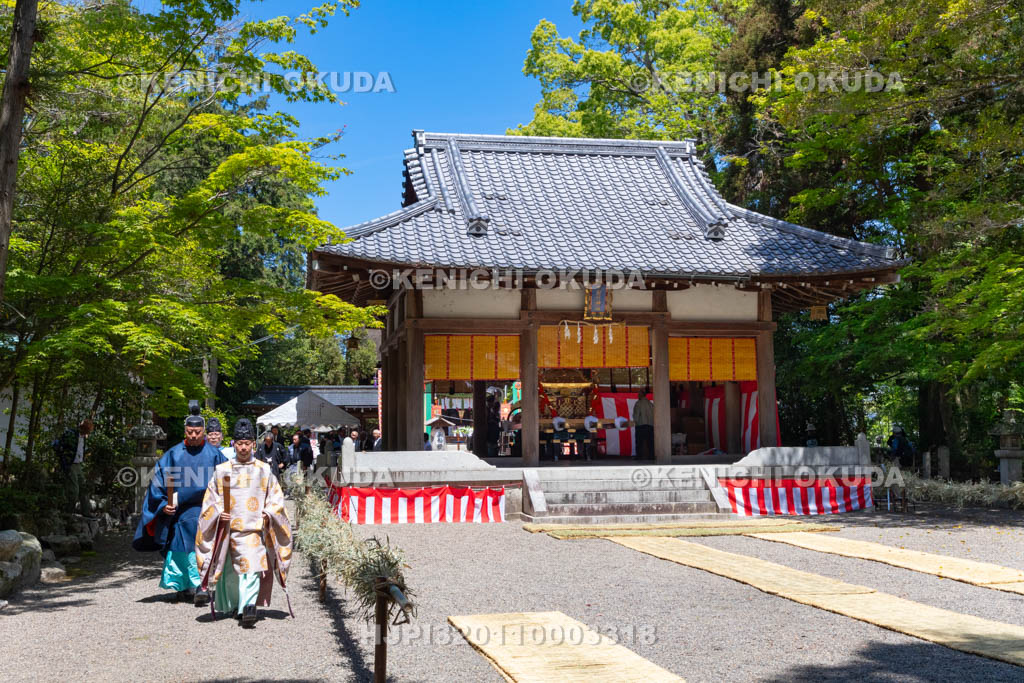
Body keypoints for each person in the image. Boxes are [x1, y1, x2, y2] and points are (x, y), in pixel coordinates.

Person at [195, 418, 293, 627]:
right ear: (233, 444)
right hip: (228, 528)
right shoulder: (222, 470)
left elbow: (276, 498)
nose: (243, 447)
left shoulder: (264, 470)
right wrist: (219, 512)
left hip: (253, 528)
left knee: (251, 566)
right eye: (239, 443)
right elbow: (210, 499)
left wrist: (268, 512)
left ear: (253, 445)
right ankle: (235, 606)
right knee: (230, 573)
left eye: (247, 443)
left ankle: (249, 607)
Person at [132, 403, 226, 605]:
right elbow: (157, 483)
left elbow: (227, 482)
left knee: (203, 546)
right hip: (177, 512)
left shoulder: (215, 455)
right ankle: (183, 586)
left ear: (204, 432)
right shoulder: (173, 455)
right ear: (185, 431)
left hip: (206, 510)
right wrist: (163, 505)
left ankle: (201, 586)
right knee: (177, 546)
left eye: (197, 432)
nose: (193, 435)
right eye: (190, 432)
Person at [64, 419, 94, 516]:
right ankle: (68, 512)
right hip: (70, 463)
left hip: (78, 464)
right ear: (83, 429)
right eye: (88, 430)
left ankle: (86, 512)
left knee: (83, 488)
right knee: (74, 489)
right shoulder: (71, 434)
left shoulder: (83, 437)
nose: (88, 433)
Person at [632, 388, 654, 461]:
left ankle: (639, 456)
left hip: (641, 425)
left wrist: (635, 422)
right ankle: (651, 456)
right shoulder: (651, 404)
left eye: (638, 394)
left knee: (639, 442)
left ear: (641, 395)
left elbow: (636, 415)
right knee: (650, 442)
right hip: (650, 426)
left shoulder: (638, 403)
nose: (637, 395)